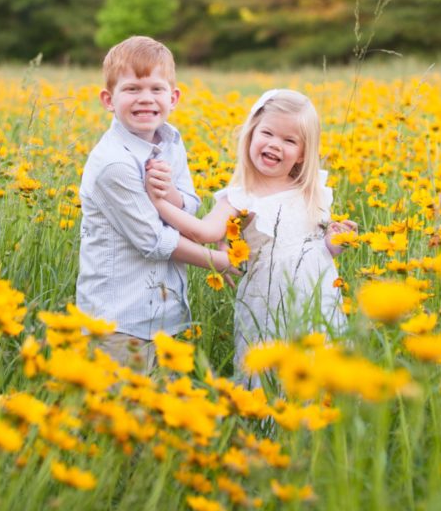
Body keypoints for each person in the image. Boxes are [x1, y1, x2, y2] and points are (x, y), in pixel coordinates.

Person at [145, 88, 357, 381]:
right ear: (251, 134)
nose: (275, 145)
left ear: (303, 154)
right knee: (271, 372)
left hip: (318, 301)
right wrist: (160, 202)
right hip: (268, 301)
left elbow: (320, 252)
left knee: (319, 369)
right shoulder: (241, 196)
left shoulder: (310, 191)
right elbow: (204, 231)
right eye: (267, 133)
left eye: (289, 140)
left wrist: (335, 243)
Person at [76, 35, 233, 372]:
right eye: (132, 89)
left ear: (173, 97)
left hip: (164, 316)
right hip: (118, 322)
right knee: (119, 418)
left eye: (156, 89)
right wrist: (219, 261)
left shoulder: (171, 141)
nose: (145, 99)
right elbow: (153, 240)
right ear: (108, 99)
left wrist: (167, 195)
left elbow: (188, 205)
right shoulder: (113, 164)